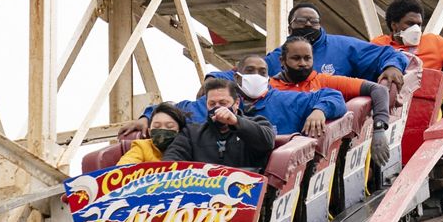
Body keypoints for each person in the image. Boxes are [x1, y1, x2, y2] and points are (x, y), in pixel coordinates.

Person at [118, 57, 345, 139]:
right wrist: (147, 117)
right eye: (250, 71)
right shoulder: (201, 108)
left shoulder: (286, 100)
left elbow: (333, 96)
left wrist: (320, 110)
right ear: (237, 76)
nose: (256, 76)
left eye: (262, 72)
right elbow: (169, 109)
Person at [270, 36, 392, 166]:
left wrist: (379, 128)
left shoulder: (325, 82)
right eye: (296, 58)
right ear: (282, 61)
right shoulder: (269, 88)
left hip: (317, 160)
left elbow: (378, 90)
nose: (303, 63)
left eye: (307, 58)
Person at [264, 3, 406, 86]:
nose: (308, 24)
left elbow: (389, 54)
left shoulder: (344, 46)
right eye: (301, 20)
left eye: (313, 21)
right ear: (290, 28)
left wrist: (392, 66)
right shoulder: (274, 58)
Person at [161, 78, 275, 171]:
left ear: (236, 103)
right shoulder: (191, 133)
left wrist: (236, 122)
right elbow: (171, 160)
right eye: (212, 104)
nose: (217, 107)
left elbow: (267, 142)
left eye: (222, 103)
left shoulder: (258, 122)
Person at [371, 0, 443, 70]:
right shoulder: (378, 45)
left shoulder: (432, 42)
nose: (416, 29)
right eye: (410, 23)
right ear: (394, 25)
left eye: (419, 24)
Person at [117, 102, 186, 165]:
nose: (163, 129)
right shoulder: (142, 147)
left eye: (169, 126)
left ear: (179, 131)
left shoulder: (186, 149)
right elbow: (123, 167)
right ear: (149, 131)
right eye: (157, 126)